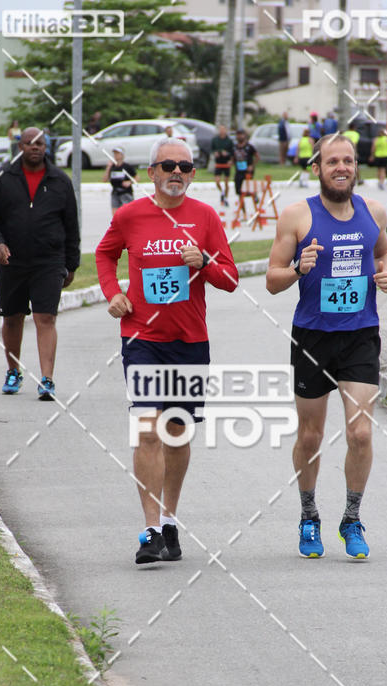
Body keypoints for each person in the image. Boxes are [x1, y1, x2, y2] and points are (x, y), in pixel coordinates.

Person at [95, 138, 239, 566]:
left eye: (185, 166)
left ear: (193, 174)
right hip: (141, 340)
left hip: (189, 341)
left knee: (177, 434)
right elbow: (104, 255)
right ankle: (150, 530)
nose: (177, 172)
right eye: (167, 165)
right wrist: (112, 293)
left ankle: (171, 522)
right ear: (151, 174)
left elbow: (230, 278)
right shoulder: (130, 215)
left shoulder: (205, 217)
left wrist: (205, 264)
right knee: (145, 428)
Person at [266, 134, 387, 560]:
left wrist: (385, 274)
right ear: (316, 168)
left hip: (360, 334)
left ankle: (352, 519)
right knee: (311, 434)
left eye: (349, 161)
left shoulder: (374, 212)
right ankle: (308, 517)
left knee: (360, 431)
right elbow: (271, 280)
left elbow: (384, 254)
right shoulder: (296, 216)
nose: (342, 167)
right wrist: (297, 269)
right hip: (313, 337)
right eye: (332, 161)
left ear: (357, 167)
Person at [0, 127, 80, 400]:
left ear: (46, 146)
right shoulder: (2, 176)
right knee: (12, 317)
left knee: (45, 317)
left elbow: (71, 224)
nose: (35, 147)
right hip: (11, 260)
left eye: (40, 143)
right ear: (20, 146)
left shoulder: (60, 180)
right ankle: (13, 370)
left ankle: (47, 380)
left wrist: (72, 264)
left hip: (49, 260)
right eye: (29, 143)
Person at [102, 146, 137, 215]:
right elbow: (104, 179)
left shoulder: (127, 166)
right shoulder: (112, 167)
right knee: (115, 215)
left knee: (126, 213)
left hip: (125, 193)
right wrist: (108, 168)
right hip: (115, 193)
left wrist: (129, 182)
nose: (116, 156)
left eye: (117, 154)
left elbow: (137, 177)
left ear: (122, 155)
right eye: (115, 154)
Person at [211, 124, 234, 206]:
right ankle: (222, 192)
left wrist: (229, 158)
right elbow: (212, 149)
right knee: (217, 181)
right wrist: (215, 153)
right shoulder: (215, 140)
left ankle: (226, 198)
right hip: (218, 162)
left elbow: (232, 152)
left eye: (223, 129)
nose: (222, 131)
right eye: (221, 129)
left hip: (226, 163)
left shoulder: (229, 141)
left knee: (226, 182)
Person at [233, 129, 258, 198]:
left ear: (245, 135)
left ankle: (254, 195)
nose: (239, 136)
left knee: (247, 190)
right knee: (239, 191)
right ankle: (242, 208)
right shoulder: (235, 147)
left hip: (247, 171)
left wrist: (252, 166)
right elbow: (233, 157)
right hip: (238, 171)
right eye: (238, 135)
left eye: (241, 134)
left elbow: (257, 157)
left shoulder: (249, 147)